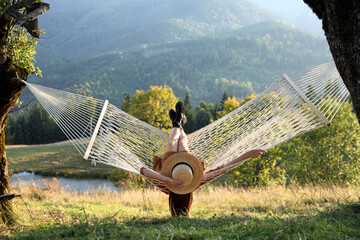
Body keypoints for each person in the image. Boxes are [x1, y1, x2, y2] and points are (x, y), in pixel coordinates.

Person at [140, 101, 266, 217]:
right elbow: (222, 169)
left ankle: (177, 122)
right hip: (187, 162)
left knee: (172, 140)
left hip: (169, 162)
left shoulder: (166, 186)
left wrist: (167, 179)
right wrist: (247, 155)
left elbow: (143, 170)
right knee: (183, 142)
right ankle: (179, 122)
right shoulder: (194, 182)